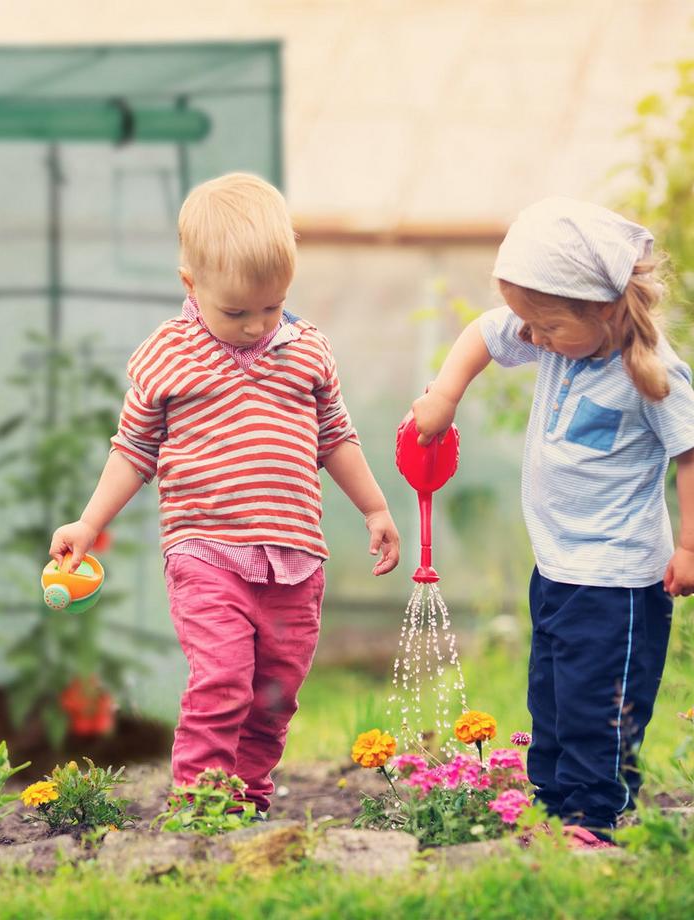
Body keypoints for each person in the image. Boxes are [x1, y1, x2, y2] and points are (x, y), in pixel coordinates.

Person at [50, 172, 401, 814]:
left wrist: (375, 507)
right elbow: (133, 450)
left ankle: (248, 795)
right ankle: (200, 800)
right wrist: (87, 522)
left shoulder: (308, 351)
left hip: (295, 557)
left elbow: (336, 437)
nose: (254, 325)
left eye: (270, 308)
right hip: (205, 551)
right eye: (235, 311)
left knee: (275, 690)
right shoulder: (168, 354)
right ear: (191, 285)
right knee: (223, 677)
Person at [412, 197, 694, 847]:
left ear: (601, 309)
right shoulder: (555, 331)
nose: (531, 339)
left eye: (543, 327)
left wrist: (688, 545)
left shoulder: (651, 374)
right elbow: (484, 332)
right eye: (528, 325)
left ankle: (595, 816)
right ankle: (553, 802)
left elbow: (688, 456)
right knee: (556, 695)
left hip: (619, 579)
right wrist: (446, 395)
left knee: (602, 702)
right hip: (559, 566)